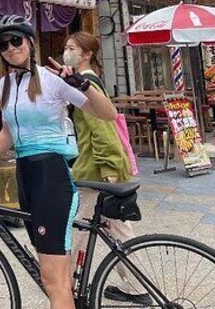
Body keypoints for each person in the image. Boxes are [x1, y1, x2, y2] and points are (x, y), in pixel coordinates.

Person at [0, 15, 118, 309]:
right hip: (26, 175)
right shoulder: (4, 84)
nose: (10, 48)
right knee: (53, 274)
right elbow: (8, 132)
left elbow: (108, 113)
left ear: (30, 42)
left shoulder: (53, 80)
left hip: (51, 175)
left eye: (16, 40)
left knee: (53, 280)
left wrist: (82, 85)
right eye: (3, 44)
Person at [63, 32, 150, 305]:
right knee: (118, 229)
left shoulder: (86, 83)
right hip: (98, 167)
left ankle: (61, 286)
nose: (66, 52)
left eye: (71, 48)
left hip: (95, 170)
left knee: (76, 229)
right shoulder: (85, 81)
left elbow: (102, 130)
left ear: (86, 54)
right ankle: (137, 287)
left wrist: (109, 167)